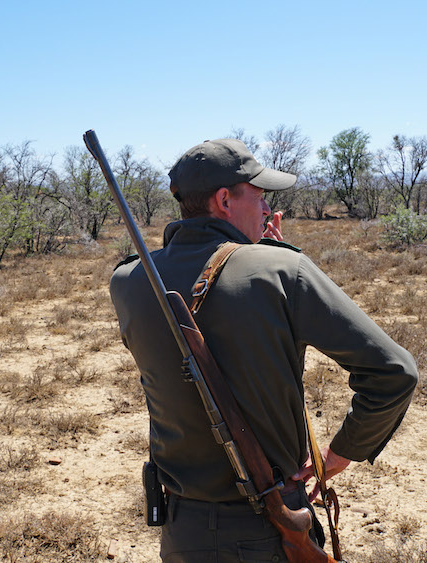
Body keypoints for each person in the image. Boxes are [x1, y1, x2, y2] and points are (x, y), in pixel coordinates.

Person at [109, 138, 418, 562]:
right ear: (223, 200)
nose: (267, 210)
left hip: (182, 531)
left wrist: (263, 254)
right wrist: (339, 454)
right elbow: (395, 371)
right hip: (268, 531)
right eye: (259, 197)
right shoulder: (282, 270)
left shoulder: (127, 280)